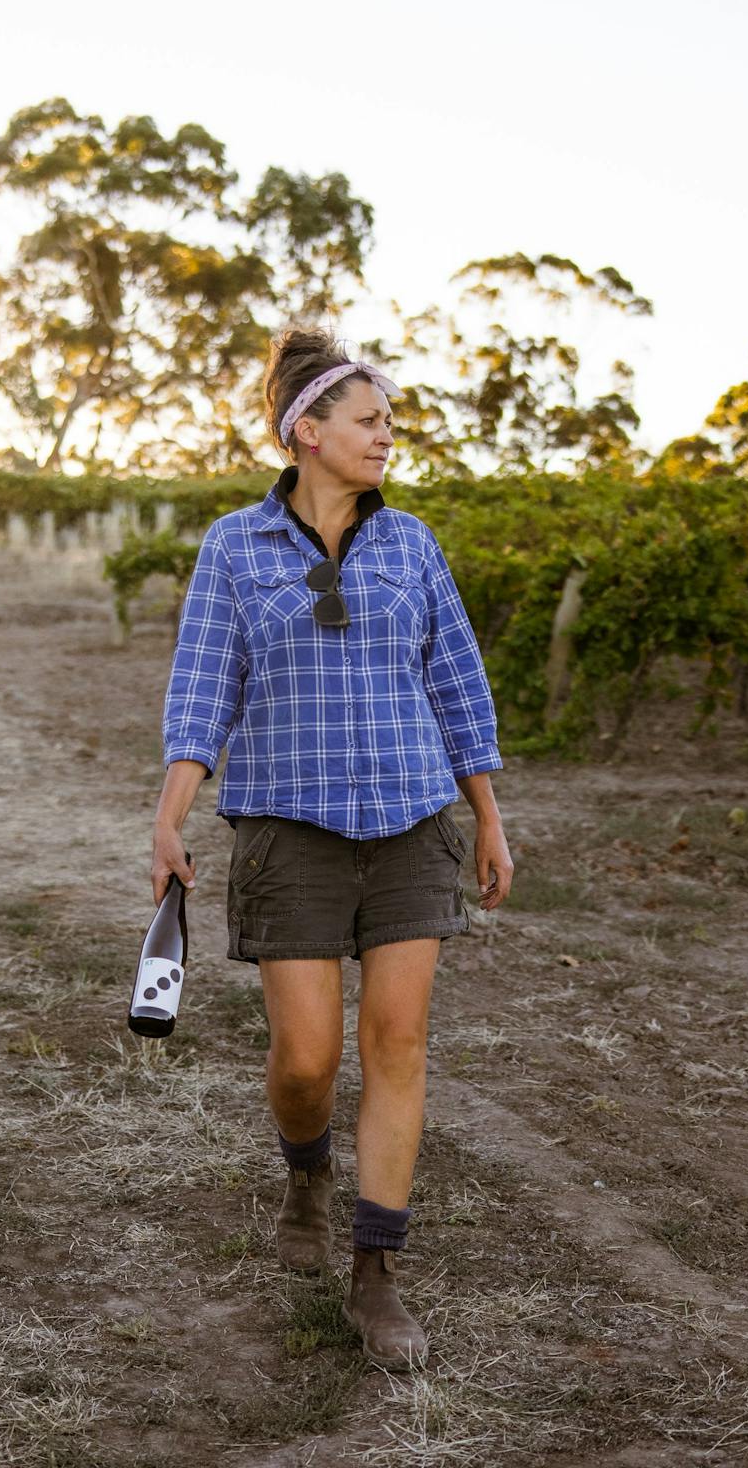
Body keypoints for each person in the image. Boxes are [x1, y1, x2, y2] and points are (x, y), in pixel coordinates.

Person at [150, 327, 515, 1370]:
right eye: (368, 422)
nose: (386, 437)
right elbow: (200, 689)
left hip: (409, 825)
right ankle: (304, 1174)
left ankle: (374, 1273)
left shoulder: (412, 545)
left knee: (396, 1042)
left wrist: (485, 814)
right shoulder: (234, 547)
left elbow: (458, 685)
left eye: (389, 422)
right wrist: (169, 814)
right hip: (285, 832)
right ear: (304, 433)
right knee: (307, 1060)